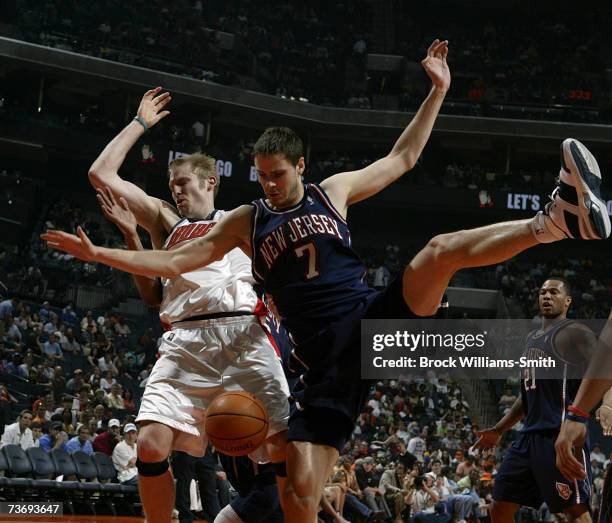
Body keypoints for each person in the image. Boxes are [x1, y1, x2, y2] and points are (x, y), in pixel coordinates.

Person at [41, 38, 612, 522]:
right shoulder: (245, 222)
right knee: (299, 495)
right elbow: (170, 266)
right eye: (261, 176)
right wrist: (104, 254)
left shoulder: (331, 191)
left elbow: (403, 159)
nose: (266, 184)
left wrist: (436, 90)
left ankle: (555, 220)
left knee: (439, 252)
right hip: (321, 369)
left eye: (277, 174)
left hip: (369, 321)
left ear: (301, 167)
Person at [76, 87, 290, 523]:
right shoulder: (166, 222)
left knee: (280, 447)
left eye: (183, 184)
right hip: (185, 339)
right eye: (172, 187)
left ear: (210, 182)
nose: (176, 193)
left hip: (243, 334)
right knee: (152, 445)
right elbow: (101, 173)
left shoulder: (243, 220)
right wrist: (139, 124)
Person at [474, 278, 595, 522]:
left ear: (567, 301)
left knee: (574, 510)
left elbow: (604, 364)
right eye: (542, 293)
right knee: (500, 505)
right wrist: (499, 429)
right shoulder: (531, 339)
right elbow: (526, 396)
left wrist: (606, 404)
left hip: (559, 434)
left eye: (553, 292)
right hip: (527, 437)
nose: (546, 296)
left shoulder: (574, 331)